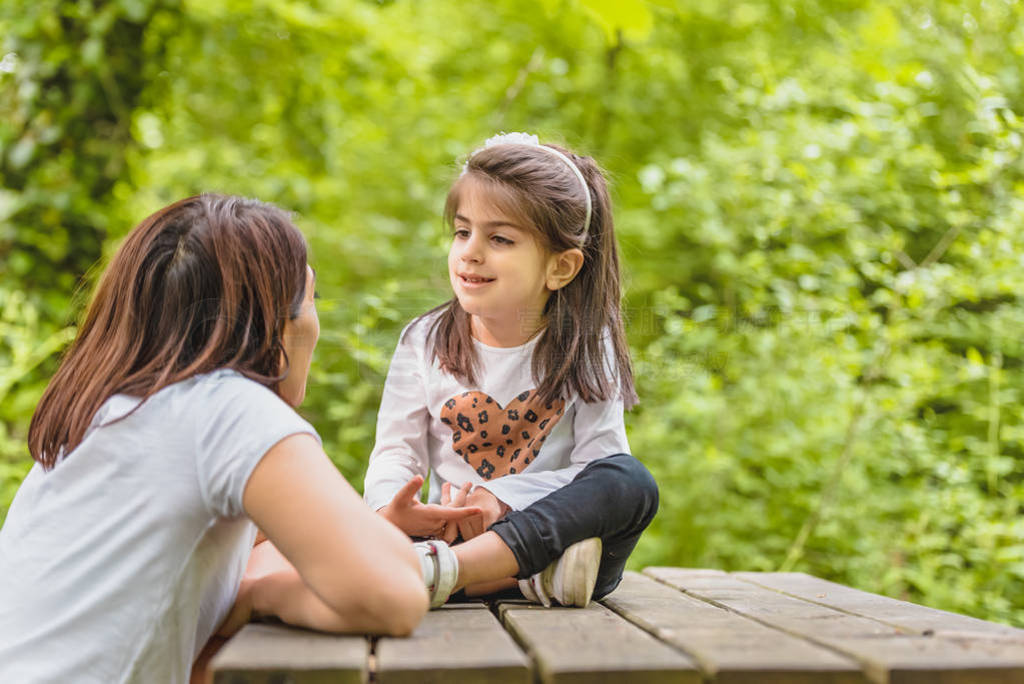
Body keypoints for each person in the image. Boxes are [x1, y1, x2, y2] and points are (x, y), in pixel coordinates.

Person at [0, 194, 431, 683]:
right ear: (275, 324)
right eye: (312, 298)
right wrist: (259, 595)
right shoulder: (225, 410)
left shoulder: (102, 413)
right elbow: (396, 593)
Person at [364, 133, 660, 608]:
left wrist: (501, 500)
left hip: (542, 531)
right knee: (367, 527)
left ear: (560, 268)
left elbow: (599, 469)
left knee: (631, 484)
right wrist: (391, 506)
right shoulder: (424, 340)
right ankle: (516, 578)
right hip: (448, 537)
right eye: (463, 232)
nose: (470, 251)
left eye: (499, 238)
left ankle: (469, 575)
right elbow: (395, 451)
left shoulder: (586, 343)